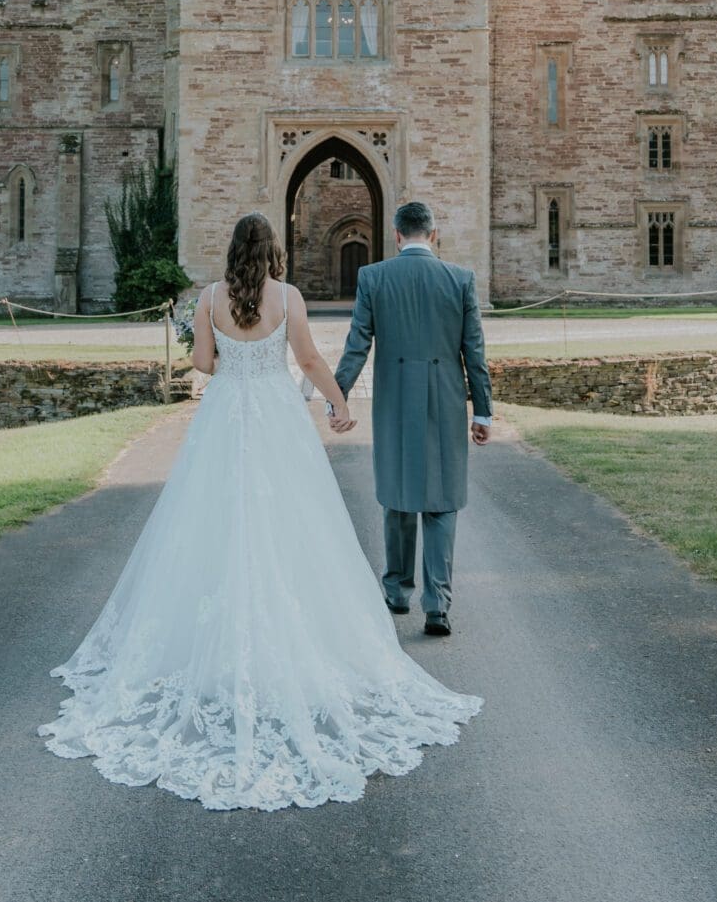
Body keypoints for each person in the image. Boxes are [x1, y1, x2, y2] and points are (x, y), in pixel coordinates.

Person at [40, 211, 481, 810]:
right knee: (295, 527)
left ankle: (210, 648)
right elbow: (310, 360)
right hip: (275, 417)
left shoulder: (210, 298)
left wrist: (234, 362)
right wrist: (337, 404)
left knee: (212, 524)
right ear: (273, 250)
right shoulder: (289, 296)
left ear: (230, 250)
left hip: (226, 415)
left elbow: (200, 364)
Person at [333, 201, 494, 637]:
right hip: (445, 398)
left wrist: (337, 396)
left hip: (395, 397)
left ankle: (397, 589)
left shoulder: (373, 276)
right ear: (434, 235)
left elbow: (357, 344)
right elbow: (474, 353)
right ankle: (437, 604)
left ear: (397, 235)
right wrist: (482, 410)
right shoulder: (460, 279)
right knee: (442, 501)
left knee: (398, 496)